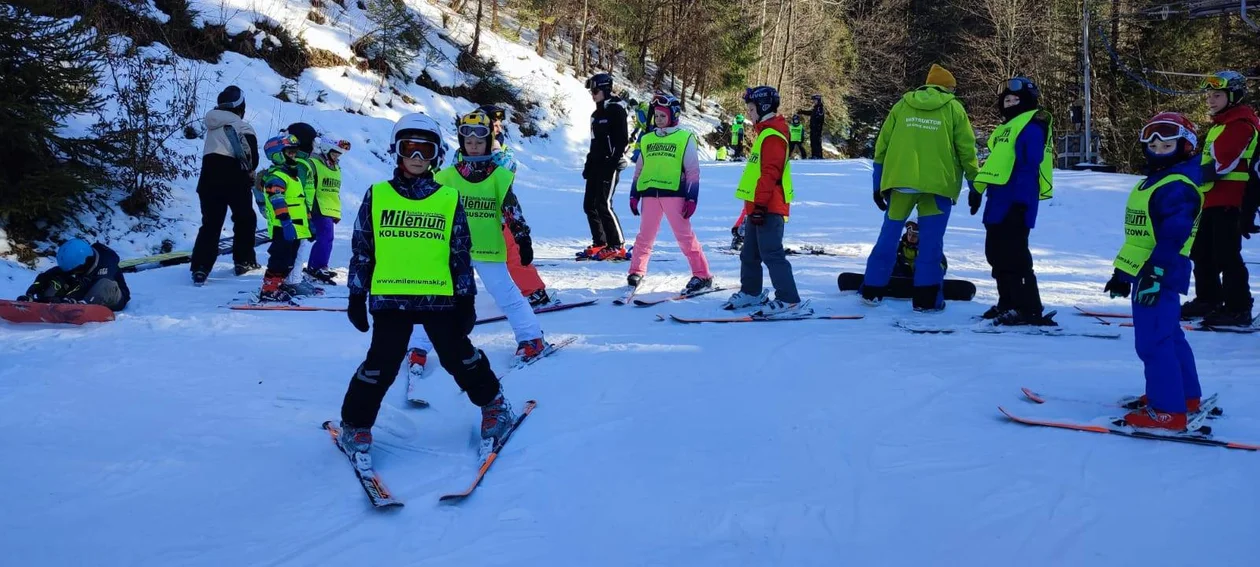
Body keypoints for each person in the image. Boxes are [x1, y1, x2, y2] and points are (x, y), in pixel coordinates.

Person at [338, 112, 515, 463]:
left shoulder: (448, 198)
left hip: (439, 297)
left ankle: (494, 404)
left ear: (436, 155)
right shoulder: (378, 196)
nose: (417, 158)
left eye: (425, 150)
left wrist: (467, 298)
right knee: (382, 363)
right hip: (391, 297)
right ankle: (355, 423)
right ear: (397, 152)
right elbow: (363, 249)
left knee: (458, 357)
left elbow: (459, 253)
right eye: (409, 149)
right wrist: (356, 295)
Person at [405, 110, 550, 376]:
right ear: (461, 142)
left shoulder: (498, 174)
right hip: (453, 249)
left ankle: (531, 338)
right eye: (468, 140)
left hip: (488, 247)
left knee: (506, 294)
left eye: (479, 140)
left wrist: (522, 238)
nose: (473, 145)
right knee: (436, 296)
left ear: (488, 141)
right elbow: (429, 207)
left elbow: (511, 208)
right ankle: (418, 346)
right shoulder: (446, 176)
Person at [1103, 112, 1205, 431]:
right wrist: (1122, 274)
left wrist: (1155, 273)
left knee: (1152, 342)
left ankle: (1167, 410)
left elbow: (1174, 235)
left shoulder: (1177, 186)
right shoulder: (1155, 182)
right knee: (1169, 335)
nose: (1158, 150)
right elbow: (1140, 238)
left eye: (1167, 144)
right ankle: (1185, 396)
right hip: (1149, 272)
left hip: (1159, 273)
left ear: (1185, 147)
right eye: (1153, 144)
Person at [862, 64, 979, 312]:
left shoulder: (902, 106)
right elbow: (967, 150)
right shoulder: (954, 108)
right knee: (931, 243)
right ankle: (926, 299)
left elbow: (881, 146)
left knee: (889, 237)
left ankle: (872, 290)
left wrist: (878, 183)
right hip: (939, 186)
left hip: (901, 184)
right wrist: (974, 184)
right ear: (948, 88)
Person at [970, 77, 1055, 326]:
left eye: (1014, 99)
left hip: (1017, 198)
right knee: (995, 254)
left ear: (1027, 101)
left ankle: (1028, 306)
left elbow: (1030, 161)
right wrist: (978, 187)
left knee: (1014, 254)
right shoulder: (1006, 128)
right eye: (1006, 100)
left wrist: (1019, 197)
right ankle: (1007, 301)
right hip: (997, 199)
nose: (1009, 104)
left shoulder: (1031, 125)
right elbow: (996, 164)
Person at [721, 86, 808, 317]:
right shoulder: (765, 132)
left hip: (768, 207)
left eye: (751, 109)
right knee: (749, 254)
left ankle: (789, 299)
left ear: (763, 107)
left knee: (771, 253)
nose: (748, 113)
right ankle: (751, 292)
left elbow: (770, 173)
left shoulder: (773, 135)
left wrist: (759, 205)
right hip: (757, 206)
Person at [1181, 71, 1259, 326]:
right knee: (1202, 252)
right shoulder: (1223, 123)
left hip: (1231, 200)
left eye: (1217, 95)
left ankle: (1238, 307)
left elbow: (1222, 164)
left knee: (1226, 255)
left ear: (1233, 96)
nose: (1210, 101)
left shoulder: (1240, 124)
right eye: (1209, 96)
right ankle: (1209, 298)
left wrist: (1183, 174)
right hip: (1212, 199)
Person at [625, 93, 713, 294]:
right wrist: (634, 194)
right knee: (644, 236)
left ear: (673, 116)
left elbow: (692, 170)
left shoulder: (684, 137)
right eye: (656, 116)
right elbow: (639, 169)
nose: (659, 120)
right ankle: (636, 270)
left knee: (684, 237)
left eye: (663, 116)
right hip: (650, 195)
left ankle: (702, 274)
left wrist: (692, 197)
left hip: (674, 194)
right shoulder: (647, 139)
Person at [479, 104, 552, 307]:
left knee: (514, 254)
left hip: (501, 214)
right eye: (494, 124)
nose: (498, 128)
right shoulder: (465, 149)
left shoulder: (502, 149)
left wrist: (494, 147)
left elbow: (509, 171)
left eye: (499, 124)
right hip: (473, 215)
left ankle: (534, 291)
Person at [190, 85, 260, 285]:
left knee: (210, 223)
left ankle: (200, 267)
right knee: (245, 218)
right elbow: (252, 159)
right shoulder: (242, 126)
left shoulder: (212, 125)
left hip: (208, 178)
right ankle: (244, 260)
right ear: (241, 107)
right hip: (234, 177)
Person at [578, 73, 630, 261]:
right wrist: (589, 163)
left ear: (606, 89)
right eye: (591, 91)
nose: (593, 94)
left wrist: (613, 162)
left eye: (596, 90)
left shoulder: (616, 110)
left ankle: (617, 245)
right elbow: (594, 142)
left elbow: (622, 140)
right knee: (589, 205)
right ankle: (600, 242)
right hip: (597, 163)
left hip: (611, 164)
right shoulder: (595, 115)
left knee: (603, 204)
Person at [255, 134, 311, 302]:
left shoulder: (292, 175)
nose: (294, 155)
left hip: (296, 227)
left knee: (290, 259)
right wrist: (286, 221)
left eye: (294, 152)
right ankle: (268, 289)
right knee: (279, 258)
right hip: (283, 226)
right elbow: (277, 199)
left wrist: (309, 223)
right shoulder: (277, 176)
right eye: (290, 152)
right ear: (277, 155)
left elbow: (300, 202)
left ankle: (279, 284)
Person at [19, 239, 130, 311]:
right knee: (58, 277)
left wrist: (70, 299)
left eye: (76, 270)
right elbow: (54, 272)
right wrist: (33, 290)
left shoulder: (106, 263)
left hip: (114, 296)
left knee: (104, 284)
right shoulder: (82, 262)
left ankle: (80, 306)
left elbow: (88, 285)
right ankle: (41, 301)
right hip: (84, 294)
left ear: (85, 262)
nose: (74, 272)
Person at [281, 122, 323, 295]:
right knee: (296, 248)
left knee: (300, 246)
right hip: (296, 214)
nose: (315, 145)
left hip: (301, 212)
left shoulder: (303, 161)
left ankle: (294, 277)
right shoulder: (298, 164)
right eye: (313, 141)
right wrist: (308, 217)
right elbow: (298, 192)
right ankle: (291, 280)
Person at [303, 136, 351, 284]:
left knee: (326, 238)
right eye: (334, 153)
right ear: (325, 150)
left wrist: (336, 211)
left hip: (329, 208)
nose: (337, 156)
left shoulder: (335, 167)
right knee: (325, 237)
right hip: (317, 206)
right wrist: (308, 208)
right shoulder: (314, 163)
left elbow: (333, 190)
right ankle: (316, 267)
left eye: (339, 154)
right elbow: (308, 186)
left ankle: (318, 265)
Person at [808, 94, 825, 159]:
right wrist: (802, 112)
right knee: (813, 141)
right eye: (814, 100)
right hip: (813, 128)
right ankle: (814, 155)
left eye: (815, 100)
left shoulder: (819, 108)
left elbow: (820, 118)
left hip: (817, 129)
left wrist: (818, 126)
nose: (814, 102)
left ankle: (818, 155)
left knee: (816, 141)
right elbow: (811, 113)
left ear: (818, 100)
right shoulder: (815, 108)